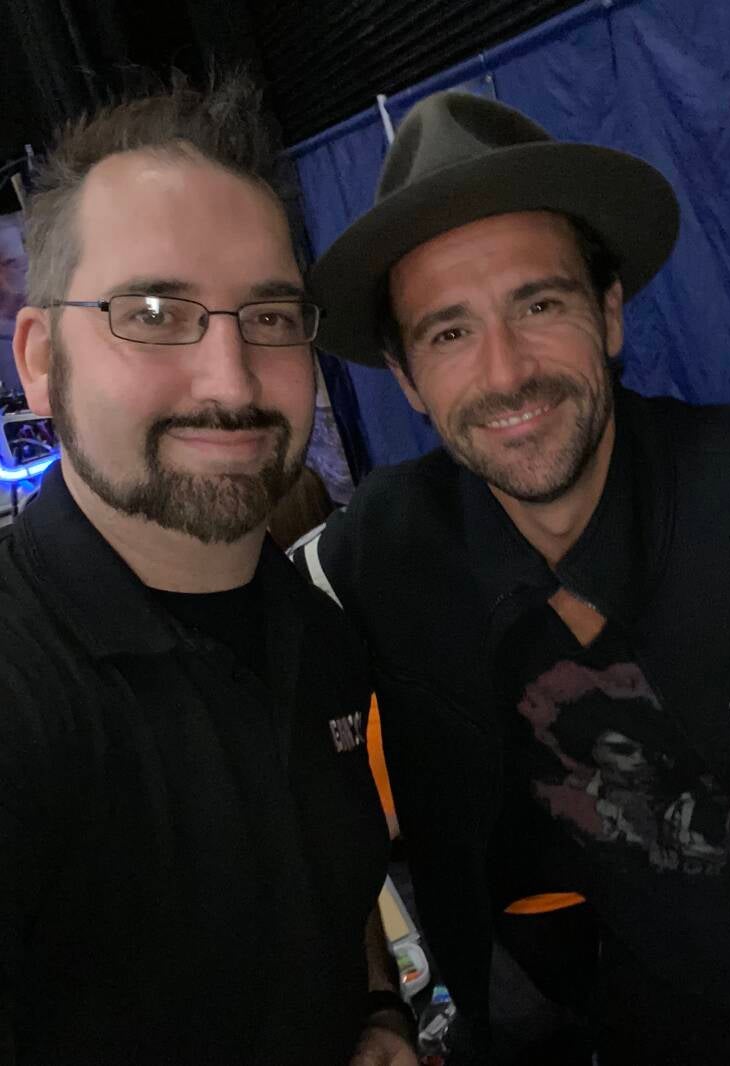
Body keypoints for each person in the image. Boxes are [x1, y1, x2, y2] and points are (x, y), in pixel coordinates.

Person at [293, 91, 730, 1064]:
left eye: (539, 304)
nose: (505, 372)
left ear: (608, 313)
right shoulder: (384, 549)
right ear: (406, 380)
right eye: (448, 333)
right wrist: (373, 1000)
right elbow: (249, 716)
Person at [2, 74, 419, 1066]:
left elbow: (330, 872)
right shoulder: (22, 695)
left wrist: (376, 1008)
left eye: (269, 317)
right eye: (153, 310)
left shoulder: (317, 634)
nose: (231, 382)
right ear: (41, 359)